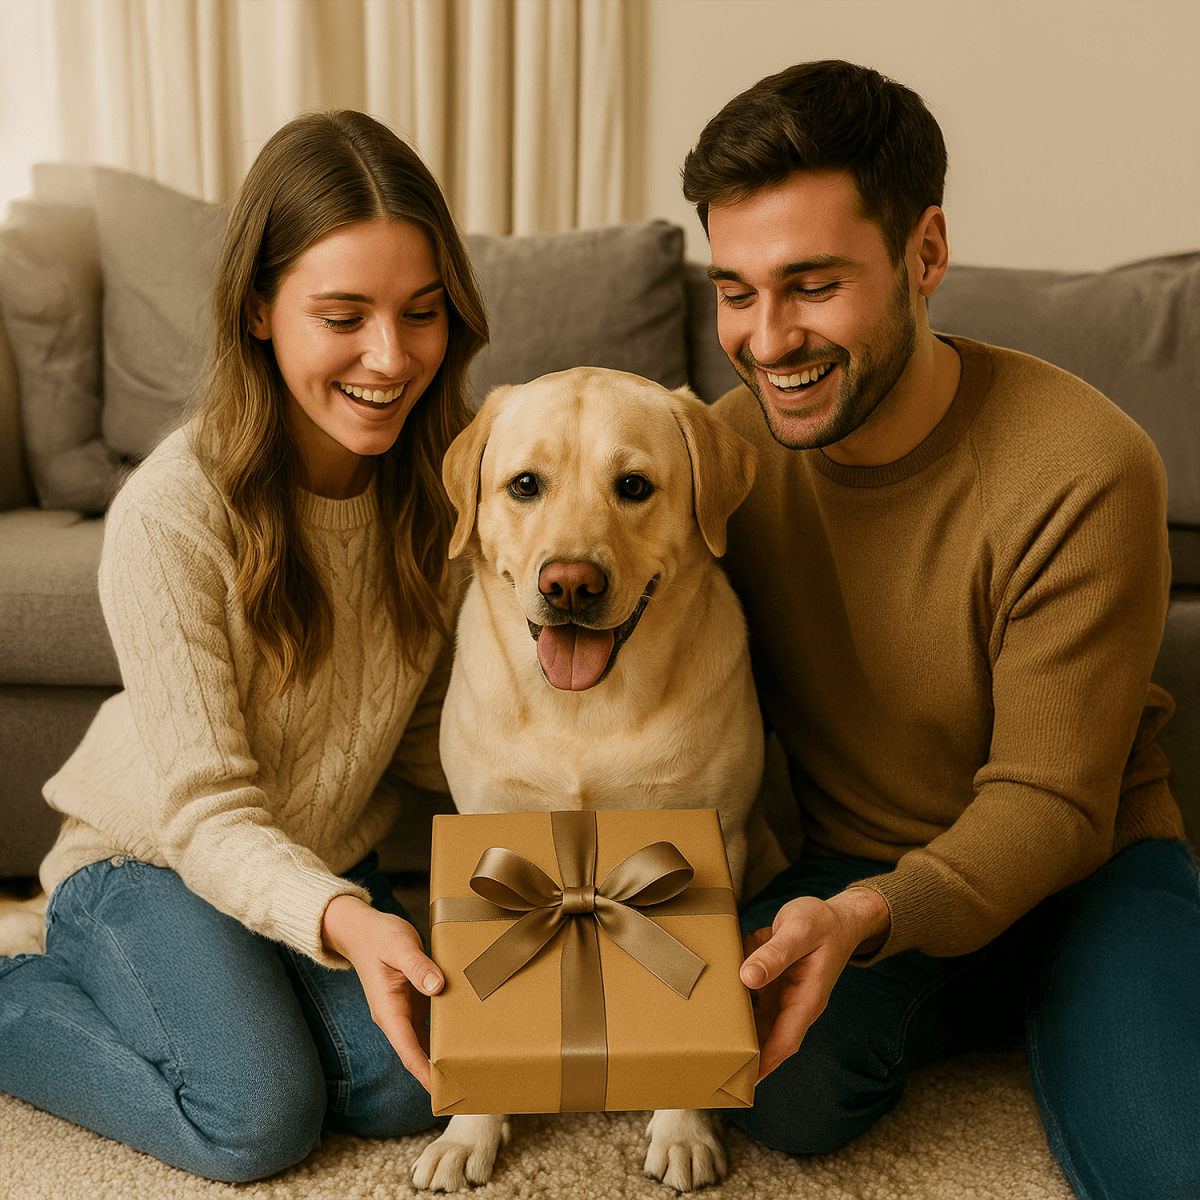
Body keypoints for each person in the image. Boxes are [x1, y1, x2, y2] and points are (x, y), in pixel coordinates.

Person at [681, 60, 1200, 1200]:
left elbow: (1052, 801)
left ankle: (1098, 1002)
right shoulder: (721, 460)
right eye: (735, 289)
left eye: (812, 284)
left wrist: (873, 915)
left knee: (1168, 1164)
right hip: (851, 864)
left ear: (925, 254)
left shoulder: (1083, 466)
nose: (768, 341)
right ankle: (972, 1005)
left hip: (1089, 866)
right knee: (772, 1084)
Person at [0, 110, 487, 1182]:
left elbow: (425, 740)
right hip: (155, 858)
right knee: (258, 1117)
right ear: (262, 310)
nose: (390, 356)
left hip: (316, 855)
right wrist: (351, 924)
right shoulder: (172, 511)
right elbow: (211, 815)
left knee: (415, 1084)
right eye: (343, 315)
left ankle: (240, 990)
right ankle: (20, 981)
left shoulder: (449, 485)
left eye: (421, 313)